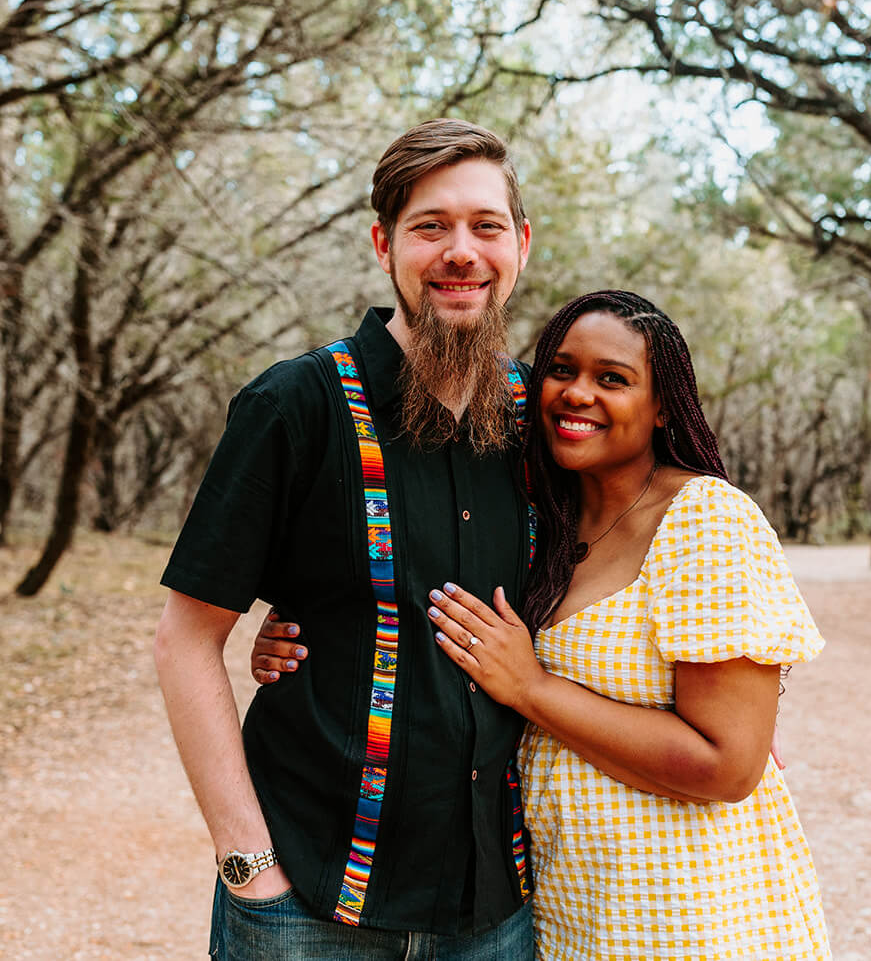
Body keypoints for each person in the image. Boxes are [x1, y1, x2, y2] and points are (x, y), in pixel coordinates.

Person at [256, 291, 832, 959]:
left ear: (664, 403)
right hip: (567, 916)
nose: (576, 393)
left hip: (695, 913)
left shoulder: (705, 522)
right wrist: (312, 636)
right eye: (561, 369)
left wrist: (532, 688)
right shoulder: (542, 520)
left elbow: (728, 764)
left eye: (612, 378)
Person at [153, 119, 538, 960]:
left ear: (521, 244)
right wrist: (249, 865)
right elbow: (187, 640)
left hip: (498, 911)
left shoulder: (547, 421)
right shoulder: (295, 404)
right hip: (307, 903)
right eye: (429, 226)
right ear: (383, 244)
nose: (460, 251)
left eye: (486, 225)